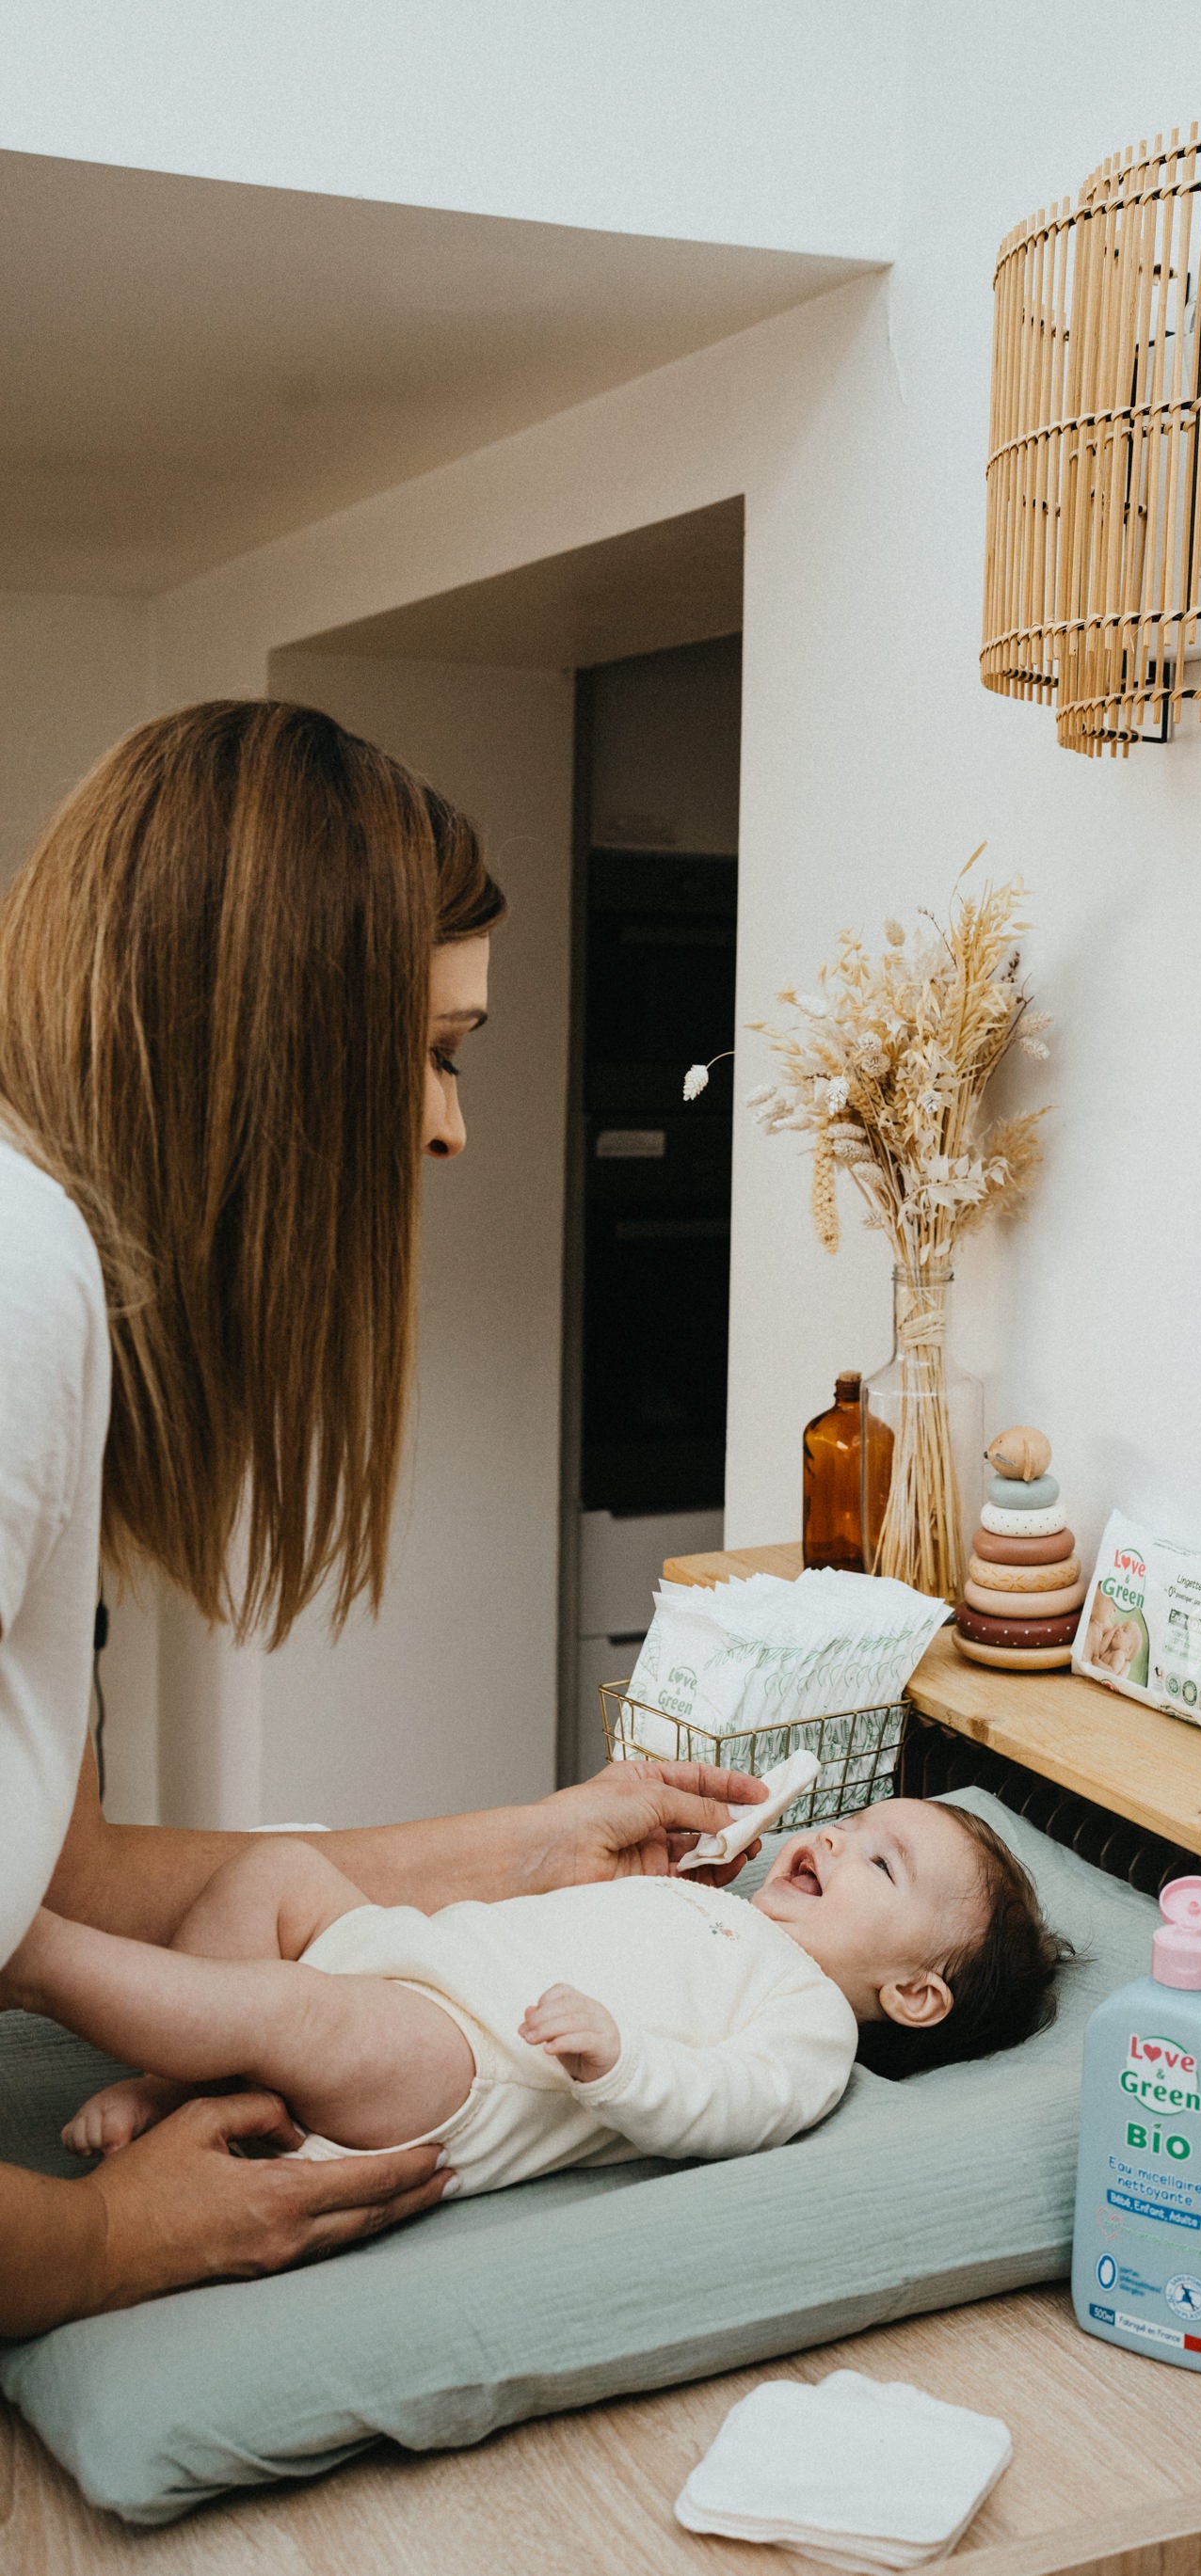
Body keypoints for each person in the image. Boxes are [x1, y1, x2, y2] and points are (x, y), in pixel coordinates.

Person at [0, 701, 766, 2337]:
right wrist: (103, 2239)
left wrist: (531, 1847)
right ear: (269, 1038)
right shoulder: (16, 1280)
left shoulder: (52, 1303)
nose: (448, 1124)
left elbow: (62, 1881)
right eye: (436, 1049)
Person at [17, 1800, 1067, 2200]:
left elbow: (731, 2103)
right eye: (852, 1823)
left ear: (913, 1994)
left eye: (879, 1862)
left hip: (464, 2066)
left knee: (288, 2008)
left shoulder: (814, 2022)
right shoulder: (722, 1908)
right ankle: (176, 2079)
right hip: (419, 1957)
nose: (835, 1839)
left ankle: (37, 1954)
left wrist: (621, 2058)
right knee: (275, 1869)